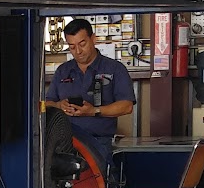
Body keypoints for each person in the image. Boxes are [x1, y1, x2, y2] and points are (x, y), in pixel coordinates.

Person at [42, 18, 136, 165]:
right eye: (72, 47)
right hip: (64, 143)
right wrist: (59, 106)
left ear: (93, 39)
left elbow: (126, 106)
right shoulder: (63, 71)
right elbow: (46, 104)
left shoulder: (114, 69)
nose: (78, 51)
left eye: (82, 44)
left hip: (99, 142)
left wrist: (94, 111)